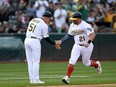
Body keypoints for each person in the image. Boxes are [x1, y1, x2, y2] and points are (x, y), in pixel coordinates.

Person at [55, 11, 102, 84]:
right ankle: (67, 77)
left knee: (86, 63)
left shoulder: (85, 25)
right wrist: (61, 41)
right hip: (77, 45)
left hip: (87, 46)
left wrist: (88, 42)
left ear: (79, 19)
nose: (73, 20)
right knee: (72, 61)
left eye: (75, 19)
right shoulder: (72, 25)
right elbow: (69, 35)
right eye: (72, 19)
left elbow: (93, 34)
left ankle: (97, 65)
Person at [24, 11, 60, 84]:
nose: (49, 21)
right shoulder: (44, 25)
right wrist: (54, 43)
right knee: (36, 61)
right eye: (49, 19)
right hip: (35, 41)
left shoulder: (33, 19)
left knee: (30, 61)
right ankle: (36, 79)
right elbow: (46, 38)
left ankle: (32, 79)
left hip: (27, 40)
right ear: (46, 17)